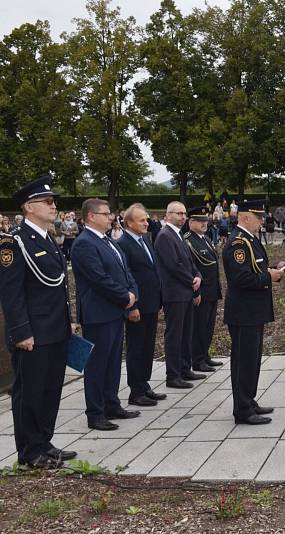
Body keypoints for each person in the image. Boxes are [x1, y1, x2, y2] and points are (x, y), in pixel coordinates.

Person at [0, 176, 75, 468]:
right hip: (32, 333)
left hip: (55, 329)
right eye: (48, 201)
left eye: (53, 201)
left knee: (50, 389)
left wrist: (69, 324)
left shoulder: (47, 238)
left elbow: (57, 287)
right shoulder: (13, 242)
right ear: (30, 207)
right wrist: (20, 332)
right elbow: (11, 293)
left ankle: (44, 442)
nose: (53, 206)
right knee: (29, 392)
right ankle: (29, 452)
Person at [72, 198, 140, 431]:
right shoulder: (84, 243)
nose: (110, 217)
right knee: (97, 365)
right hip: (98, 314)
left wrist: (132, 292)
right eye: (105, 214)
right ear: (91, 216)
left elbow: (125, 269)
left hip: (115, 311)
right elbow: (99, 279)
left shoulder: (107, 241)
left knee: (112, 363)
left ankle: (112, 404)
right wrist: (125, 296)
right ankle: (95, 412)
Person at [222, 199, 284, 425]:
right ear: (245, 217)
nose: (261, 220)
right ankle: (242, 410)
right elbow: (241, 278)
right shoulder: (238, 243)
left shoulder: (250, 239)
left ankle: (248, 400)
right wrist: (269, 276)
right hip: (244, 311)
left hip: (253, 311)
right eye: (258, 217)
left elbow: (256, 268)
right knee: (243, 360)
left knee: (252, 359)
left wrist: (274, 269)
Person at [117, 203, 165, 407]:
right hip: (138, 304)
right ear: (129, 223)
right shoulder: (124, 243)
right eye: (142, 220)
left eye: (146, 219)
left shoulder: (144, 240)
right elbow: (124, 277)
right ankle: (135, 391)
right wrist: (131, 307)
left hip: (151, 302)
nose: (147, 223)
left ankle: (144, 384)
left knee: (147, 347)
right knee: (136, 347)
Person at [155, 201, 204, 389]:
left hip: (185, 291)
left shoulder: (178, 235)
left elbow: (189, 262)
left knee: (185, 333)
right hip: (174, 293)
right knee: (174, 335)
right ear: (168, 215)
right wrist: (192, 281)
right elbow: (174, 265)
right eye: (178, 213)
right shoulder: (165, 236)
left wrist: (197, 275)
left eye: (184, 214)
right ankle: (173, 375)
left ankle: (185, 368)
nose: (182, 217)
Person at [185, 207, 224, 374]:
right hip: (201, 291)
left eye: (205, 221)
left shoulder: (206, 239)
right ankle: (197, 359)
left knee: (208, 326)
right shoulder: (188, 240)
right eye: (199, 221)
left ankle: (205, 355)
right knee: (199, 327)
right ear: (191, 222)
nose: (204, 224)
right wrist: (196, 292)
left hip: (212, 290)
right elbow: (190, 268)